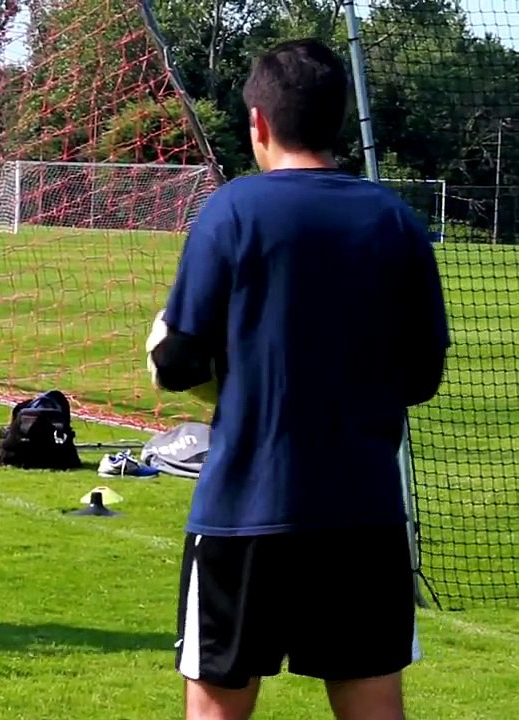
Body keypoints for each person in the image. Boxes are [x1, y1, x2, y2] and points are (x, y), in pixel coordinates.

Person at [149, 38, 450, 720]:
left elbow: (178, 364)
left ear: (258, 122)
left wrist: (178, 349)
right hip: (362, 514)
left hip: (242, 514)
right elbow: (423, 375)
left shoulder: (232, 211)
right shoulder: (397, 223)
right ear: (337, 119)